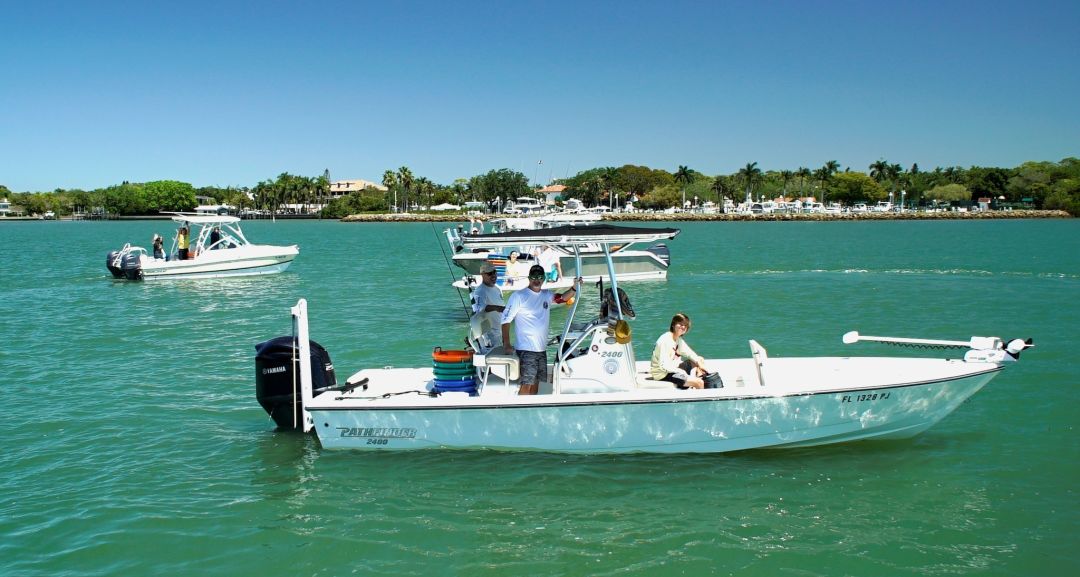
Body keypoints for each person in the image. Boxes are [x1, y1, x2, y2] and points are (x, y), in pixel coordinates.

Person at [501, 264, 581, 395]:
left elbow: (562, 298)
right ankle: (521, 412)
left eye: (539, 277)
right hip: (526, 349)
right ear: (529, 278)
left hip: (541, 349)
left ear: (543, 278)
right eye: (533, 277)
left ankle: (530, 412)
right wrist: (507, 344)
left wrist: (574, 287)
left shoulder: (546, 295)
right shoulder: (518, 296)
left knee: (536, 383)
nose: (536, 280)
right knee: (527, 383)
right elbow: (505, 320)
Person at [650, 313, 708, 389]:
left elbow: (690, 353)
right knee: (699, 383)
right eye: (680, 324)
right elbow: (663, 366)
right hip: (663, 374)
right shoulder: (665, 340)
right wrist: (681, 372)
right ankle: (697, 390)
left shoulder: (678, 339)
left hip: (673, 368)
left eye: (685, 325)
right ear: (673, 325)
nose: (683, 327)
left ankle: (694, 382)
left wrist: (700, 364)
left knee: (699, 359)